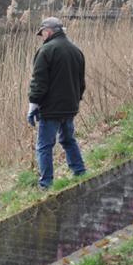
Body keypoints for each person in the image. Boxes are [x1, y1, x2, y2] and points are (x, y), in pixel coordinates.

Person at [27, 17, 86, 190]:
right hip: (70, 107)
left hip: (51, 109)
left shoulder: (46, 51)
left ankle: (46, 184)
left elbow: (39, 81)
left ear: (49, 31)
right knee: (68, 140)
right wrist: (76, 100)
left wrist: (33, 104)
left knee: (44, 146)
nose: (42, 37)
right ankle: (80, 172)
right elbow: (81, 83)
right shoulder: (76, 50)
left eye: (42, 33)